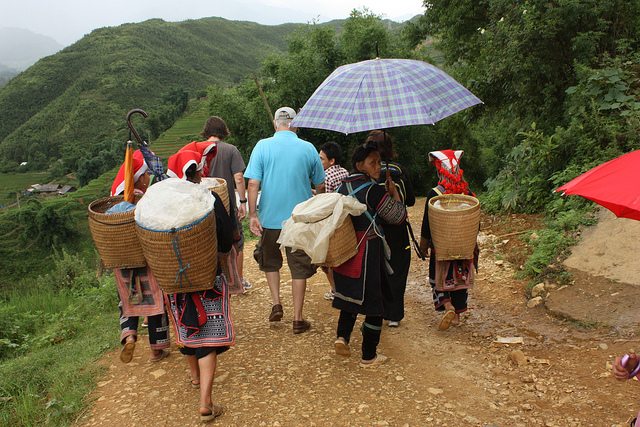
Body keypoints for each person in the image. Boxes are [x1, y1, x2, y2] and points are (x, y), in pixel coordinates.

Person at [165, 149, 235, 422]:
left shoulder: (165, 204)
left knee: (186, 323)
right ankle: (205, 400)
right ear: (198, 173)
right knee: (206, 336)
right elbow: (227, 238)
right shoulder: (209, 197)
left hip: (174, 279)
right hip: (207, 276)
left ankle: (194, 377)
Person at [244, 106, 325, 334]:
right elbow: (320, 185)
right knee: (299, 267)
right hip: (298, 220)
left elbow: (252, 184)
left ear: (275, 123)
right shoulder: (308, 148)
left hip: (270, 218)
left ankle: (276, 303)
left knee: (270, 262)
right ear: (295, 124)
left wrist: (252, 214)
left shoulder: (262, 146)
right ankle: (298, 319)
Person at [332, 142, 407, 366]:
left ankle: (342, 337)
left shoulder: (341, 187)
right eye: (373, 163)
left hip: (345, 250)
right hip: (369, 250)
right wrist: (393, 195)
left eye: (379, 162)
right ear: (359, 165)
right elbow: (398, 217)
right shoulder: (373, 190)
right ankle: (368, 355)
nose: (378, 167)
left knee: (348, 297)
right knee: (376, 302)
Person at [109, 149, 170, 364]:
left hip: (123, 262)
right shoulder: (143, 200)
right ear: (140, 177)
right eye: (145, 175)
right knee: (155, 301)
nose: (147, 178)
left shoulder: (115, 205)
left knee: (127, 299)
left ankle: (129, 335)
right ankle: (156, 350)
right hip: (146, 261)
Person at [419, 150, 478, 331]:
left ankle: (448, 306)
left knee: (437, 277)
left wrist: (423, 246)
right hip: (464, 246)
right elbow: (475, 221)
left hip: (441, 248)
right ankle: (457, 316)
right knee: (460, 279)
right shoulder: (468, 194)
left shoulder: (435, 194)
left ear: (440, 171)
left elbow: (427, 224)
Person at [367, 130, 415, 327]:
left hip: (374, 227)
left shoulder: (367, 175)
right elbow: (410, 200)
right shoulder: (399, 170)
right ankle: (394, 315)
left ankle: (377, 310)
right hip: (397, 230)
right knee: (398, 266)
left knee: (377, 268)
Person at [203, 116, 252, 292]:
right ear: (223, 131)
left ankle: (212, 283)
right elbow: (238, 177)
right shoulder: (231, 150)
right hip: (227, 206)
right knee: (236, 242)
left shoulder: (199, 150)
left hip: (204, 207)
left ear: (207, 131)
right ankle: (237, 282)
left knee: (210, 244)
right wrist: (243, 202)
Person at [318, 141, 349, 301]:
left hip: (331, 221)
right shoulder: (345, 172)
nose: (319, 161)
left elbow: (326, 201)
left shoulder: (326, 175)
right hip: (345, 220)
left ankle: (335, 289)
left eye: (322, 159)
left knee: (325, 259)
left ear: (332, 161)